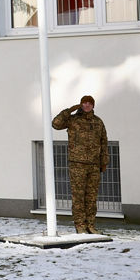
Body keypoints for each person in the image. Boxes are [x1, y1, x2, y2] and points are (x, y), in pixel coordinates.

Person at [52, 95, 109, 234]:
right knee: (78, 197)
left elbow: (104, 142)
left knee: (91, 197)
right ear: (81, 105)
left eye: (90, 103)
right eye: (84, 103)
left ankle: (90, 225)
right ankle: (80, 226)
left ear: (93, 105)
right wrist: (70, 110)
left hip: (94, 165)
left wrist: (104, 162)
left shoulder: (98, 122)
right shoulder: (73, 120)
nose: (87, 105)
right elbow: (55, 124)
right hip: (77, 165)